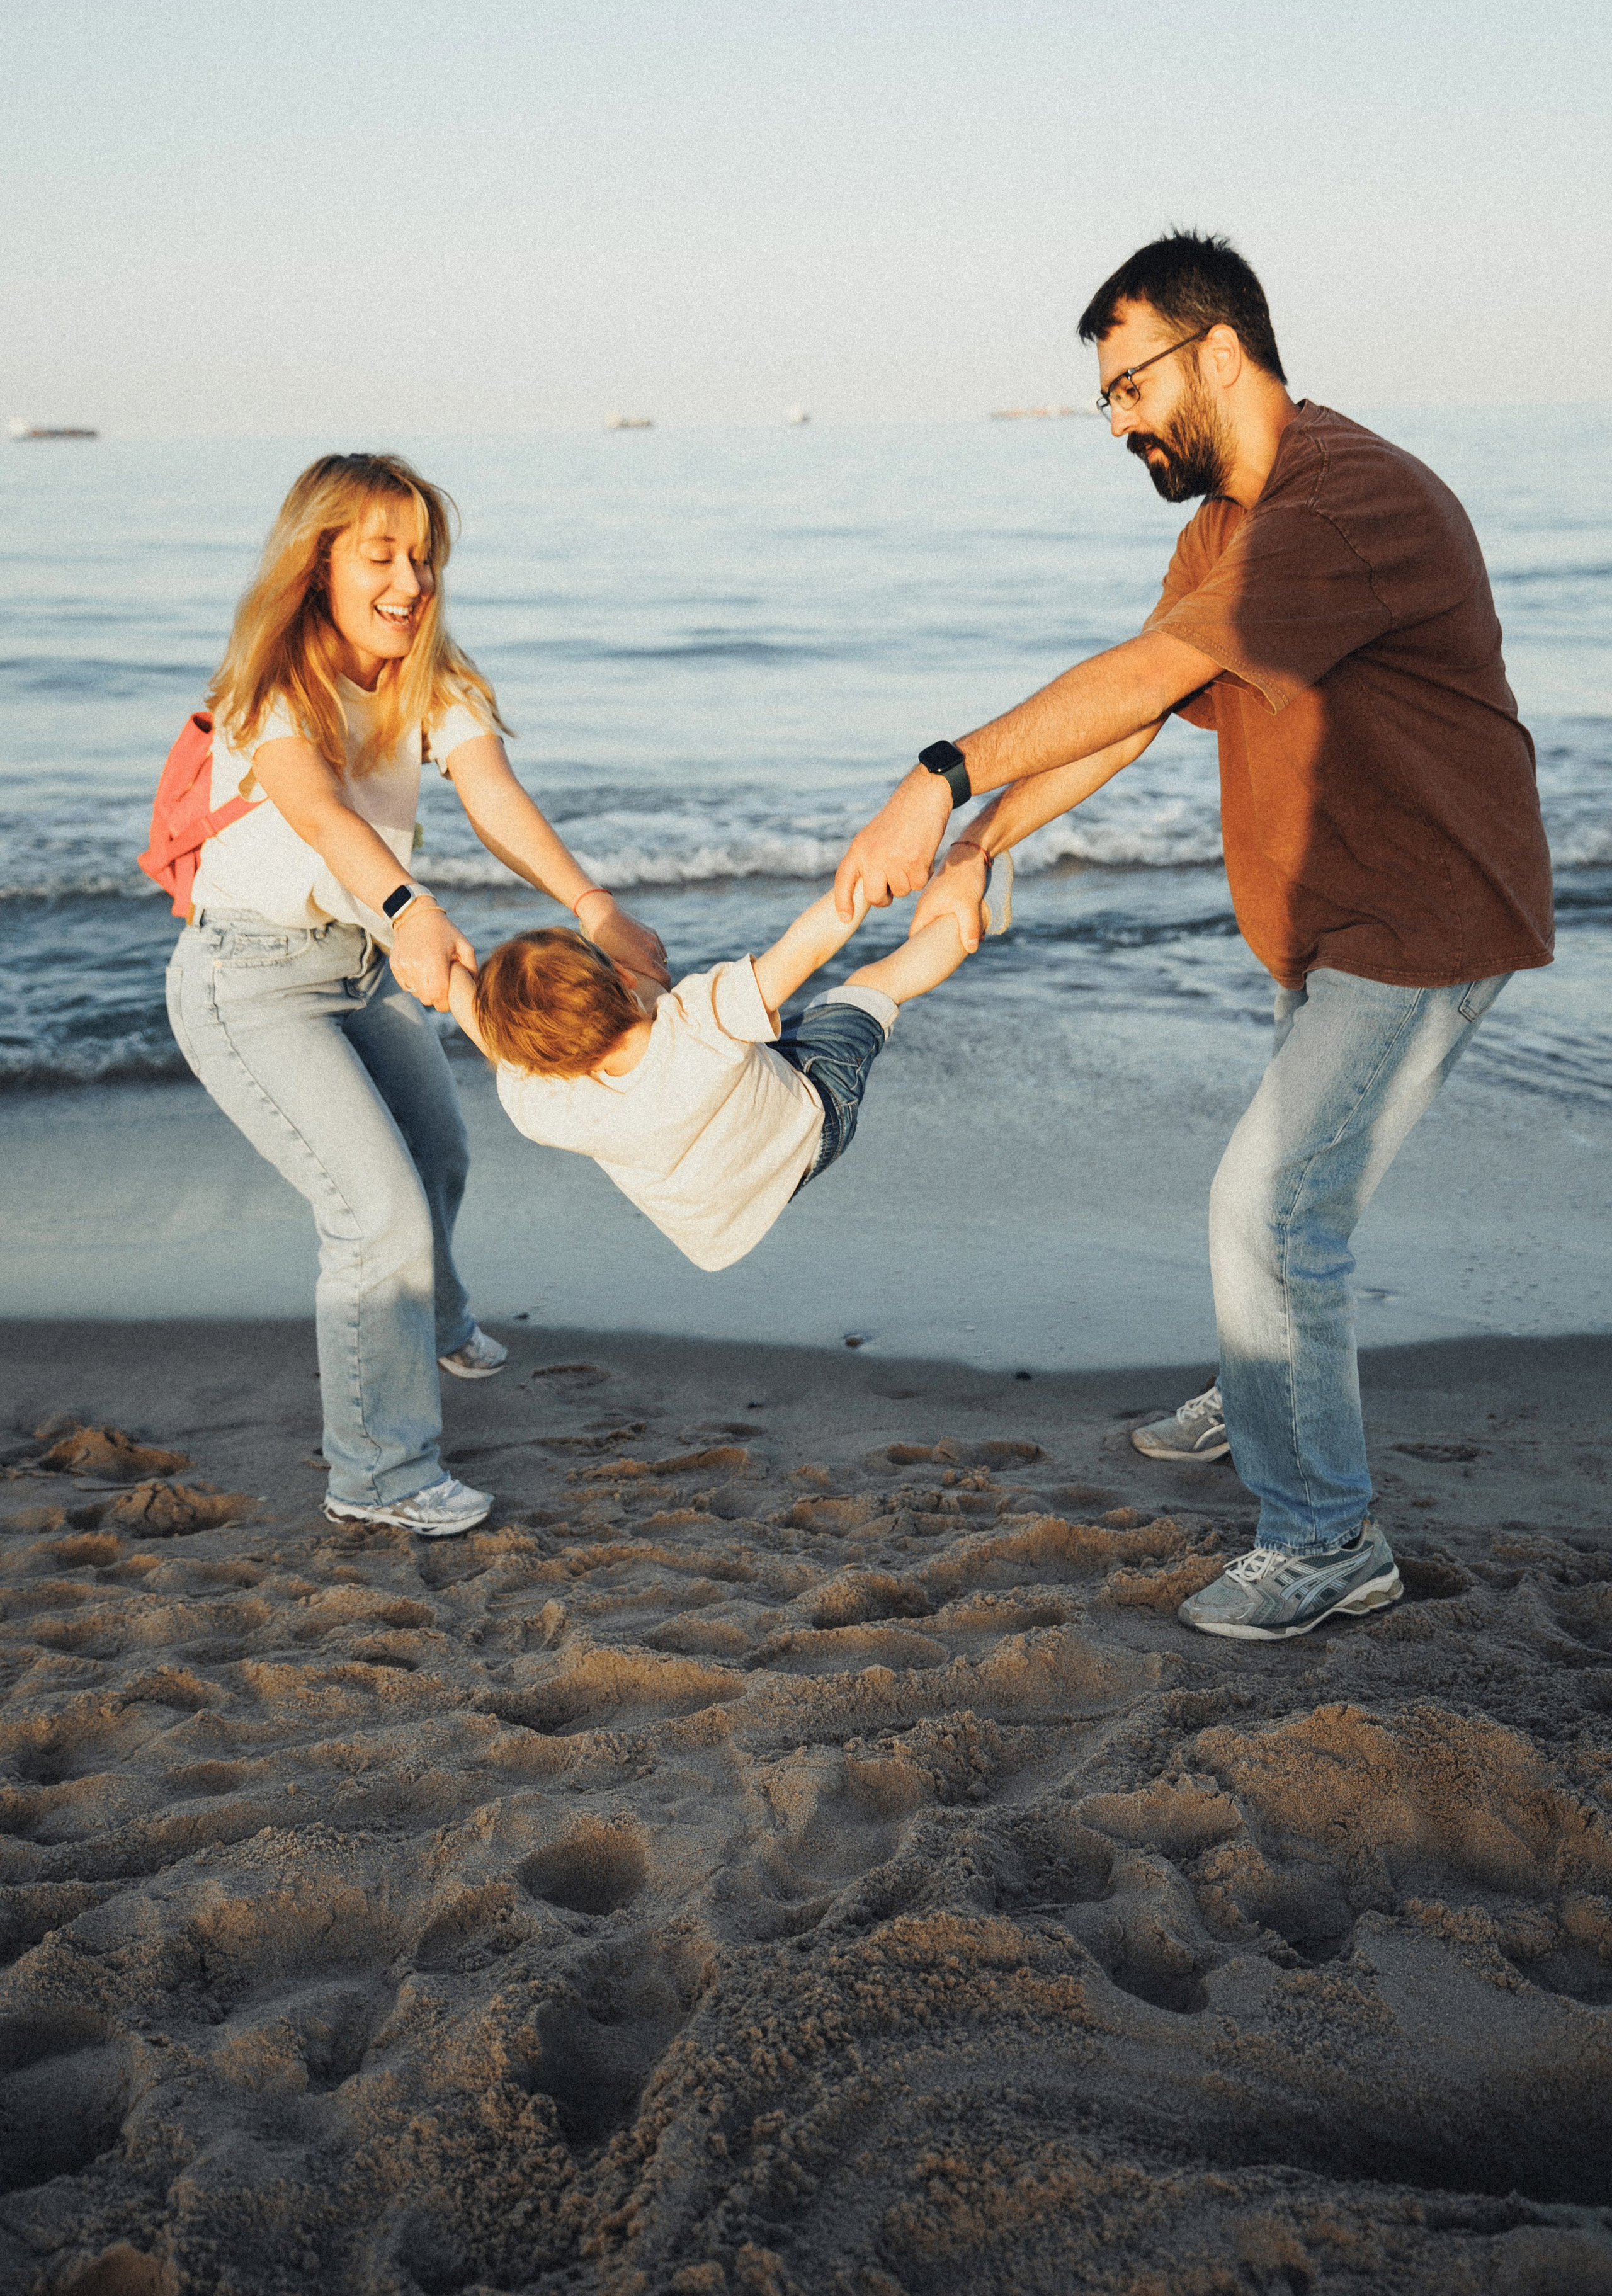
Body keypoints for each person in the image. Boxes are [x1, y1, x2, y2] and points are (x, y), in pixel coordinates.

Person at [833, 230, 1553, 1644]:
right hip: (1329, 920)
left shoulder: (1345, 501)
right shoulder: (1225, 526)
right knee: (1293, 1208)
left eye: (1128, 385)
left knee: (1267, 1208)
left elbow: (1153, 669)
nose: (1114, 421)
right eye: (1103, 399)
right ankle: (1264, 1381)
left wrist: (937, 776)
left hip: (1420, 919)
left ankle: (1327, 1537)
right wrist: (983, 843)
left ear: (1217, 352)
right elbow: (1137, 707)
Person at [164, 453, 668, 1538]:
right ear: (319, 564)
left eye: (424, 557)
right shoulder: (269, 682)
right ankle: (381, 1477)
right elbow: (320, 813)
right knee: (374, 1214)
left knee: (440, 1159)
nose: (410, 581)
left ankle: (430, 1320)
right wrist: (408, 909)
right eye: (382, 555)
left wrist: (594, 907)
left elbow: (490, 791)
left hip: (358, 961)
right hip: (249, 979)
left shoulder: (430, 672)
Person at [446, 860, 1013, 1271]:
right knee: (869, 986)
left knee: (763, 1040)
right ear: (620, 978)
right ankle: (975, 908)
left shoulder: (545, 1107)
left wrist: (451, 980)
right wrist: (865, 882)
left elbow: (491, 1038)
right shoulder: (699, 1022)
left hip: (734, 1198)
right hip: (814, 1114)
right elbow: (804, 950)